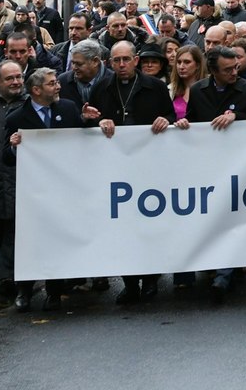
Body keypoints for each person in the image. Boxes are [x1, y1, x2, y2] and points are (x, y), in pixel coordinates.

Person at [174, 46, 246, 303]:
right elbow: (192, 122)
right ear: (213, 70)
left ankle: (222, 277)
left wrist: (238, 116)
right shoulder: (200, 90)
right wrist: (183, 125)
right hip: (205, 167)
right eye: (227, 70)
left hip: (241, 167)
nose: (234, 72)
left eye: (236, 67)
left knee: (231, 219)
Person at [91, 41, 176, 305]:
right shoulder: (101, 87)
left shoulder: (156, 87)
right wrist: (96, 121)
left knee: (149, 227)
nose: (122, 65)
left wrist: (166, 121)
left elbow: (171, 117)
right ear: (110, 63)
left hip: (149, 168)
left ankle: (150, 279)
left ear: (136, 60)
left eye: (126, 59)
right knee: (122, 229)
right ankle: (129, 282)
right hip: (116, 169)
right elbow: (91, 118)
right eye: (116, 61)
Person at [4, 68, 90, 311]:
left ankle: (54, 291)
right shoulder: (16, 118)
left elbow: (83, 140)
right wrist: (13, 147)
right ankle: (25, 291)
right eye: (52, 83)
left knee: (56, 240)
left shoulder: (68, 109)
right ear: (36, 90)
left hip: (64, 191)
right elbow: (7, 159)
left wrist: (89, 121)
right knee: (30, 243)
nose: (58, 86)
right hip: (33, 194)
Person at [0, 60, 25, 308]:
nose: (16, 82)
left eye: (18, 77)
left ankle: (8, 278)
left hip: (20, 180)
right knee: (0, 228)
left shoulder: (31, 104)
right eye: (10, 78)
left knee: (15, 229)